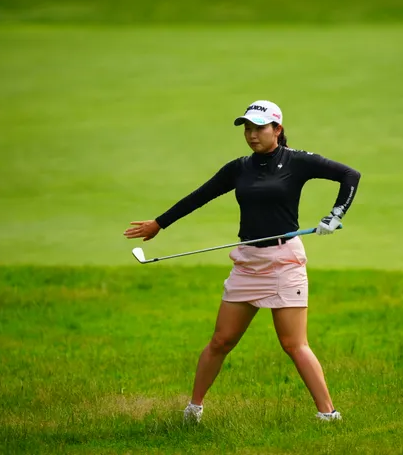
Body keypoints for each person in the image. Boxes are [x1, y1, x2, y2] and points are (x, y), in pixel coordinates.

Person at [123, 100, 361, 422]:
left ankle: (328, 414)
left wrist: (335, 215)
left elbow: (350, 175)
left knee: (293, 344)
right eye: (247, 128)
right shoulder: (239, 168)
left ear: (277, 129)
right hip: (248, 263)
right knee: (221, 341)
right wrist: (159, 224)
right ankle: (193, 410)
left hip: (285, 261)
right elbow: (200, 196)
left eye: (259, 128)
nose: (252, 135)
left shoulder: (297, 161)